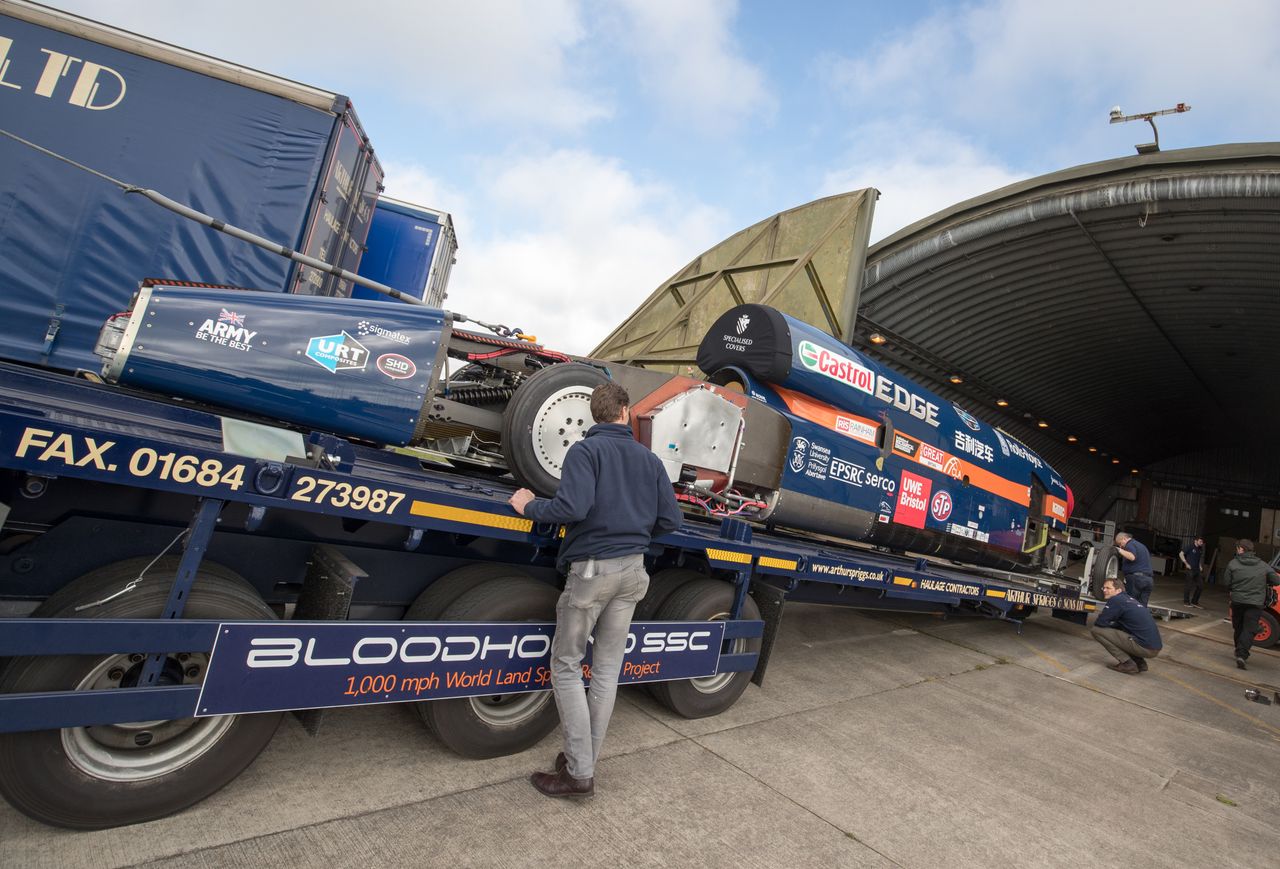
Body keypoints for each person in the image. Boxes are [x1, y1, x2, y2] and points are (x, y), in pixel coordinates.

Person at [509, 381, 682, 798]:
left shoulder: (585, 451)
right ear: (625, 412)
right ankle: (580, 761)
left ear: (594, 415)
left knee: (566, 664)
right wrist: (637, 533)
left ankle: (579, 774)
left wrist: (527, 506)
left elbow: (571, 509)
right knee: (606, 670)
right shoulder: (650, 460)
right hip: (633, 573)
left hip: (592, 573)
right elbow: (671, 521)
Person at [1221, 539, 1280, 670]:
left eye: (1237, 548)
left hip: (1237, 602)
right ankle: (1242, 655)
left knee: (1239, 627)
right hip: (1255, 603)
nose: (1237, 550)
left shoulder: (1233, 563)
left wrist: (1234, 589)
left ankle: (1238, 651)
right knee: (1249, 628)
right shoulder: (1263, 565)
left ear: (1241, 549)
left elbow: (1226, 583)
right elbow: (1276, 580)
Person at [1090, 576, 1163, 674]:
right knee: (1121, 633)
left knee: (1097, 631)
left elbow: (1100, 623)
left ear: (1118, 590)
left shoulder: (1116, 600)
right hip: (1153, 647)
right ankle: (1139, 662)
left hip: (1145, 647)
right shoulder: (1128, 599)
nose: (1105, 590)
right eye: (1104, 588)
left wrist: (1112, 623)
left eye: (1108, 588)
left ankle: (1127, 663)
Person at [1114, 531, 1154, 606]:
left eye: (1120, 544)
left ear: (1124, 539)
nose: (1121, 546)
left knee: (1130, 604)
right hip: (1148, 580)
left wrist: (1119, 550)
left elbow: (1132, 557)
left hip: (1136, 580)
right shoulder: (1141, 546)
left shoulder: (1130, 544)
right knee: (1141, 607)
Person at [1179, 536, 1206, 608]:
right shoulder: (1190, 547)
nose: (1201, 543)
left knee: (1200, 586)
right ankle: (1186, 601)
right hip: (1190, 569)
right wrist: (1186, 563)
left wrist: (1200, 566)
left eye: (1202, 542)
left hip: (1197, 570)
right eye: (1200, 541)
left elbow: (1198, 559)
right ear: (1195, 541)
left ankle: (1194, 602)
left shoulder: (1200, 549)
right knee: (1189, 585)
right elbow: (1181, 554)